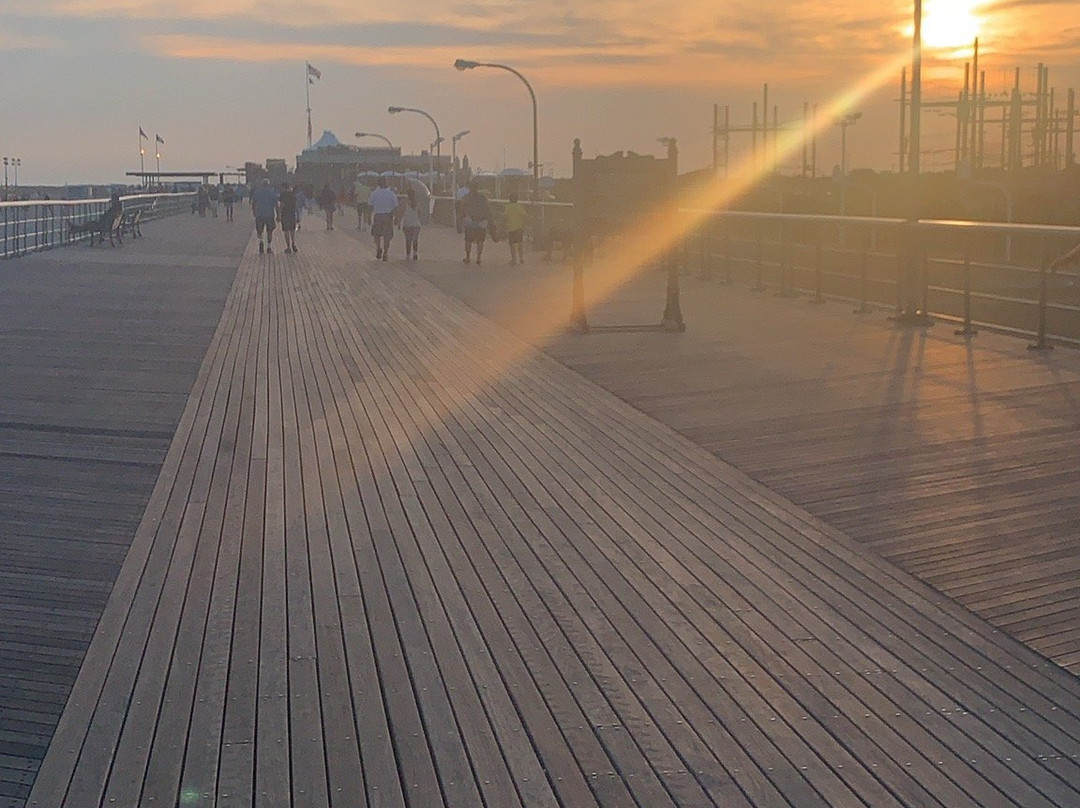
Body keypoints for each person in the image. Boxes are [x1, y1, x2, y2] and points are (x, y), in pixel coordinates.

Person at [368, 177, 398, 261]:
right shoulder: (391, 194)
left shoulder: (374, 193)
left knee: (376, 234)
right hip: (388, 216)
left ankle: (378, 248)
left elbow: (370, 206)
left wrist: (368, 217)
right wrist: (396, 218)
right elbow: (395, 206)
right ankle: (385, 253)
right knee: (387, 236)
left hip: (378, 215)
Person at [461, 180, 491, 265]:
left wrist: (461, 220)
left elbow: (462, 208)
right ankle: (478, 257)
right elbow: (487, 209)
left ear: (470, 188)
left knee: (468, 240)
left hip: (470, 220)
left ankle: (468, 257)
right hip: (481, 220)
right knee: (480, 240)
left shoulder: (466, 197)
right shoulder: (483, 198)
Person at [250, 177, 279, 254]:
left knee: (259, 230)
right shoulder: (272, 193)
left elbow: (253, 203)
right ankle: (269, 247)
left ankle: (261, 242)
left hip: (260, 214)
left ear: (262, 184)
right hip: (270, 214)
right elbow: (276, 205)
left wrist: (254, 212)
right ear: (268, 184)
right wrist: (278, 215)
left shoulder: (257, 192)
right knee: (269, 231)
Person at [503, 190, 527, 265]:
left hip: (511, 228)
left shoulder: (507, 207)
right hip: (519, 228)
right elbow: (525, 215)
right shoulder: (519, 206)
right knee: (520, 243)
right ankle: (521, 259)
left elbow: (505, 216)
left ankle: (514, 260)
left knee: (512, 244)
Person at [400, 188, 422, 260]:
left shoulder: (404, 202)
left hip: (407, 223)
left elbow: (401, 212)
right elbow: (420, 213)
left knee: (408, 240)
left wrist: (399, 221)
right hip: (416, 223)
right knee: (415, 239)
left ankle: (408, 255)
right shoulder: (417, 202)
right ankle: (415, 253)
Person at [278, 182, 299, 254]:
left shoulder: (282, 194)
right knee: (292, 230)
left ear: (283, 187)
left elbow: (282, 204)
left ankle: (288, 247)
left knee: (286, 230)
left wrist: (279, 214)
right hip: (292, 214)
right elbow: (296, 205)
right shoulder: (292, 194)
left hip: (285, 214)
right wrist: (297, 215)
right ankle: (293, 244)